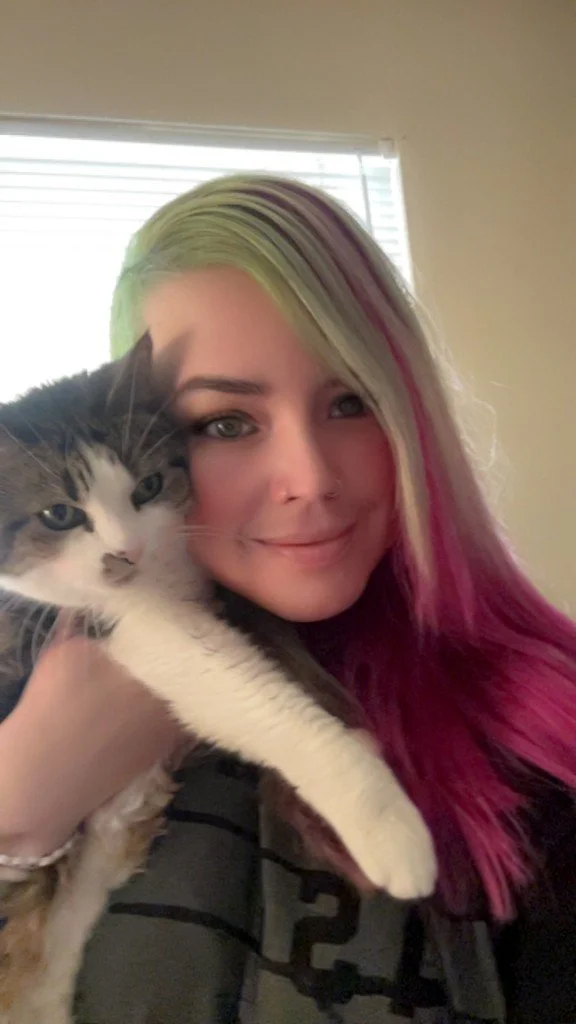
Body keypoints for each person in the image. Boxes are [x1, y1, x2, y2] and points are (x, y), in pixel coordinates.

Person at [1, 175, 575, 1023]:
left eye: (351, 401)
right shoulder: (51, 671)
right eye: (226, 423)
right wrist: (19, 808)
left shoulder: (547, 733)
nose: (310, 479)